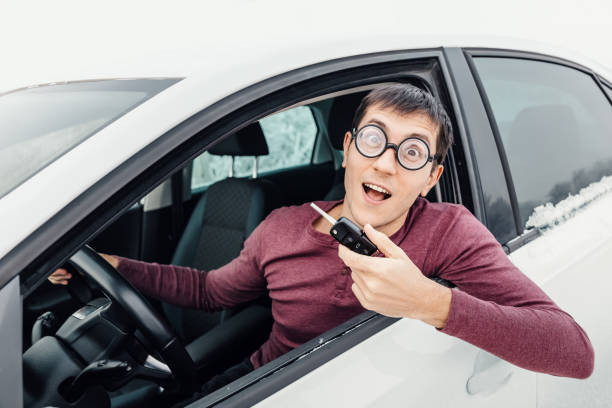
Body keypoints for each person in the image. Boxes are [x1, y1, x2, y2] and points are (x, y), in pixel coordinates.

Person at [50, 84, 594, 394]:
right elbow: (213, 291)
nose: (386, 163)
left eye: (411, 154)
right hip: (262, 381)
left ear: (430, 176)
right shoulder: (281, 226)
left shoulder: (448, 231)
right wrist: (118, 266)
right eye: (375, 140)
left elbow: (575, 351)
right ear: (350, 147)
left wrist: (430, 302)